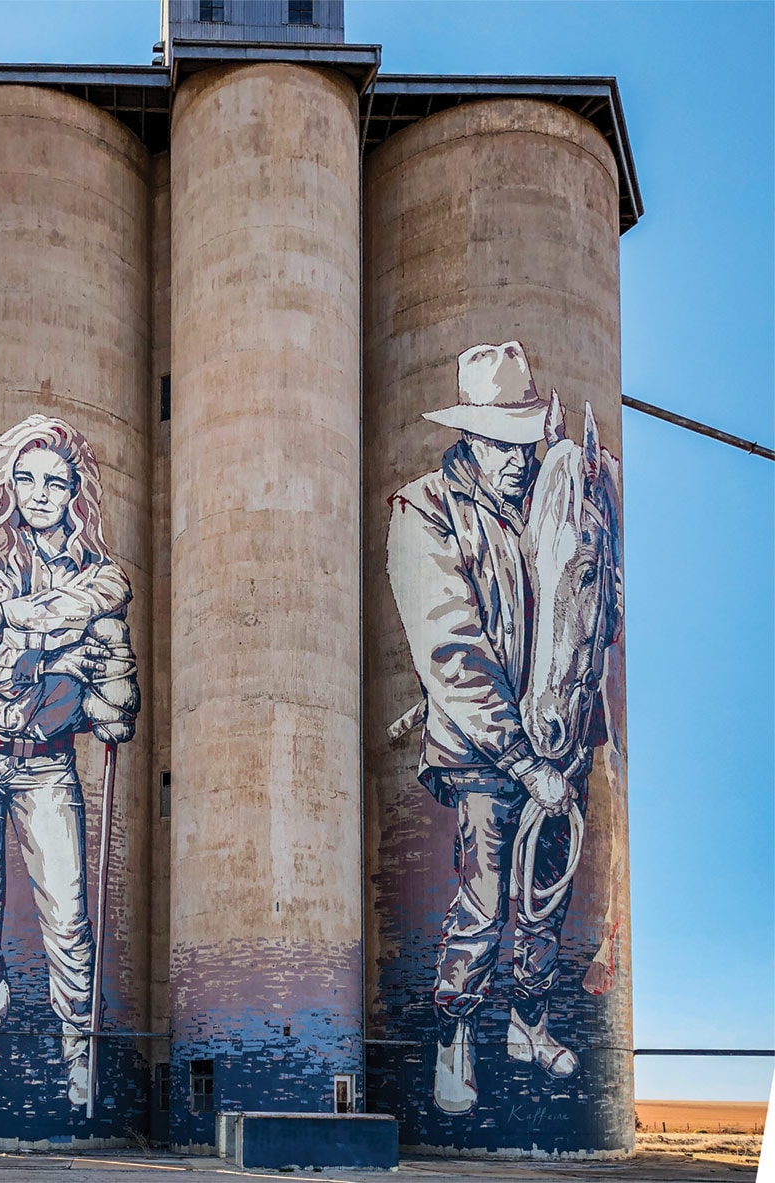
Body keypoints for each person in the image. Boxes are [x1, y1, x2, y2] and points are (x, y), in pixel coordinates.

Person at [386, 342, 580, 1117]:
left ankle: (529, 1023)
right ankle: (455, 1032)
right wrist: (523, 757)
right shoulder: (424, 508)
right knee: (483, 898)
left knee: (549, 895)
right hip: (481, 749)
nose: (516, 459)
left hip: (560, 738)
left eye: (525, 440)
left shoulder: (551, 497)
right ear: (468, 436)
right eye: (501, 443)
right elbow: (451, 652)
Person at [0, 413, 138, 1105]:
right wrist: (57, 652)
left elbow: (111, 619)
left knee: (67, 912)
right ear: (11, 486)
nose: (39, 493)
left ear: (75, 489)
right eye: (26, 479)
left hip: (49, 761)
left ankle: (80, 1049)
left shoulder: (98, 572)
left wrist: (23, 625)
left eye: (55, 481)